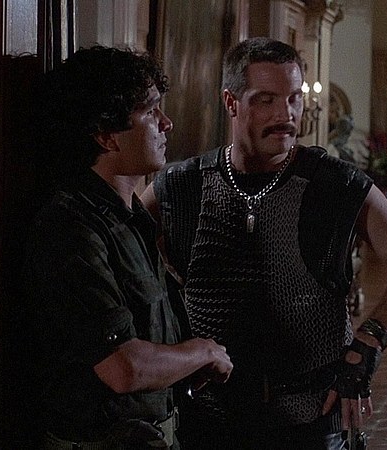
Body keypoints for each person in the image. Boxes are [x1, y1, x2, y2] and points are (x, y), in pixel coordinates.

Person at [140, 37, 387, 449]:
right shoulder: (182, 186)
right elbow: (122, 256)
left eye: (294, 98)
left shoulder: (333, 184)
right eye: (266, 100)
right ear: (231, 103)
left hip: (310, 420)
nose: (286, 115)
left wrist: (369, 341)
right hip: (210, 420)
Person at [22, 46, 233, 449]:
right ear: (105, 135)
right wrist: (202, 352)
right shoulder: (71, 225)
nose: (166, 123)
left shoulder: (131, 217)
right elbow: (123, 367)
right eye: (151, 112)